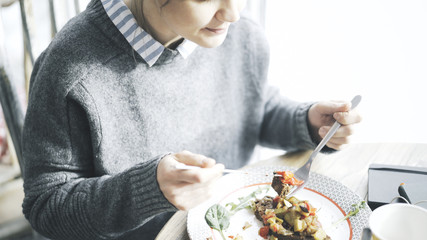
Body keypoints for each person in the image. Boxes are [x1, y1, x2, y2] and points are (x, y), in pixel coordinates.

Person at [21, 0, 362, 239]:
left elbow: (251, 108)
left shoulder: (239, 36)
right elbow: (46, 207)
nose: (233, 12)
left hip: (230, 226)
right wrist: (148, 189)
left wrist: (304, 123)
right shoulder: (70, 73)